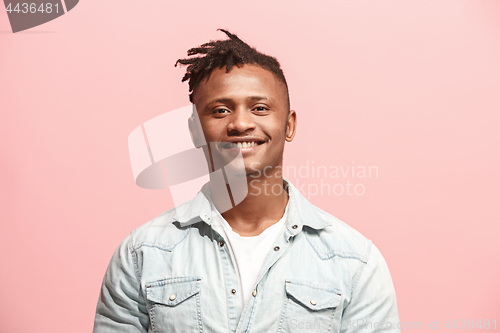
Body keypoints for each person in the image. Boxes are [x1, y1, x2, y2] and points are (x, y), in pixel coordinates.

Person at [93, 29, 400, 332]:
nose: (240, 123)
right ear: (195, 130)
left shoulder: (355, 262)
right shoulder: (142, 254)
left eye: (260, 108)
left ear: (289, 125)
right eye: (221, 110)